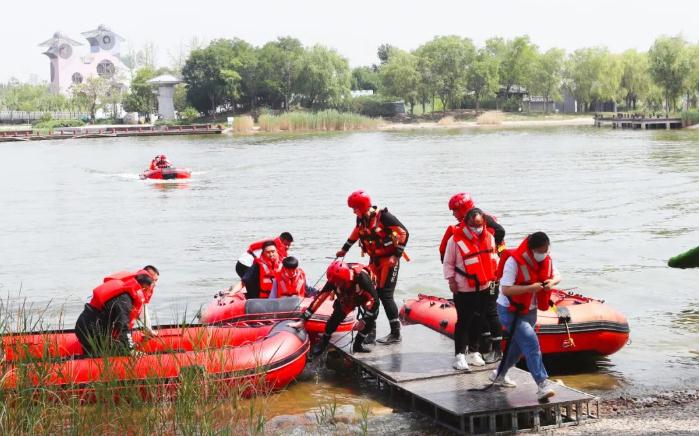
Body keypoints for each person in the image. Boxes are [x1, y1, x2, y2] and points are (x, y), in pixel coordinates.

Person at [493, 232, 561, 402]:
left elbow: (558, 276)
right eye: (540, 251)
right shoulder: (513, 261)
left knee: (517, 348)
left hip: (530, 310)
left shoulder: (547, 260)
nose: (543, 254)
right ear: (531, 249)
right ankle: (542, 383)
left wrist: (551, 283)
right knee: (530, 342)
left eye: (546, 250)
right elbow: (506, 289)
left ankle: (499, 374)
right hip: (509, 310)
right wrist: (530, 288)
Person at [336, 190, 408, 345]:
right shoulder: (361, 219)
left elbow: (403, 233)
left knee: (385, 295)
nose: (353, 211)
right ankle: (369, 331)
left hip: (389, 260)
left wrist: (396, 255)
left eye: (354, 208)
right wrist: (344, 249)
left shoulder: (384, 217)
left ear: (362, 206)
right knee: (369, 293)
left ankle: (395, 333)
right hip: (374, 260)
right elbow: (356, 233)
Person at [443, 208, 500, 371]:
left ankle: (474, 351)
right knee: (464, 321)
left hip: (484, 286)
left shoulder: (489, 237)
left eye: (480, 224)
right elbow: (448, 263)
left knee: (479, 319)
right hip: (463, 288)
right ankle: (459, 355)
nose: (477, 227)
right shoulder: (455, 240)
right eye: (473, 224)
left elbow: (493, 258)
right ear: (466, 223)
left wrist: (495, 277)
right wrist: (451, 280)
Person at [291, 260, 380, 355]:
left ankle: (358, 345)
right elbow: (319, 299)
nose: (336, 285)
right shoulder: (333, 281)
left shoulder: (362, 278)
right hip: (348, 296)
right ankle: (323, 343)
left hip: (364, 295)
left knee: (371, 316)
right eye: (335, 283)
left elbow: (376, 301)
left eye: (339, 282)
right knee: (335, 318)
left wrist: (363, 321)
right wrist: (303, 319)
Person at [75, 270, 156, 356]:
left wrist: (147, 330)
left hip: (91, 325)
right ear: (142, 287)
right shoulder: (124, 299)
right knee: (105, 356)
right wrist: (131, 350)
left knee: (106, 351)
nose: (148, 293)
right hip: (91, 329)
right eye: (147, 289)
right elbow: (123, 324)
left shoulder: (127, 293)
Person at [439, 192, 505, 263]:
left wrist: (489, 249)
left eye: (455, 211)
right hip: (495, 259)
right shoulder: (485, 218)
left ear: (462, 210)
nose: (453, 214)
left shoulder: (486, 220)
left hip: (494, 259)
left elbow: (500, 231)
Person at [103, 265, 160, 337]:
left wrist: (148, 330)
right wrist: (149, 331)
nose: (155, 284)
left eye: (156, 280)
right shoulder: (132, 291)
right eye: (153, 280)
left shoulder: (143, 287)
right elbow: (142, 313)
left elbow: (142, 311)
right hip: (109, 324)